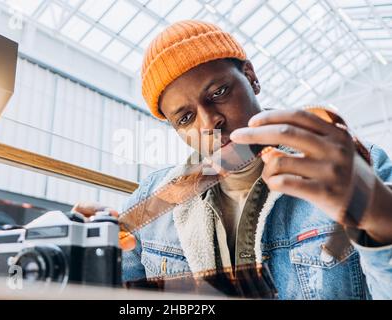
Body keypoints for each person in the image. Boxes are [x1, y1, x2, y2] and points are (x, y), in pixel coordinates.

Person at [73, 20, 392, 299]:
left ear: (251, 77)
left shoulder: (352, 167)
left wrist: (378, 216)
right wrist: (88, 256)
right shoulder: (154, 202)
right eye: (185, 118)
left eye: (219, 93)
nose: (209, 122)